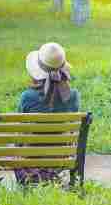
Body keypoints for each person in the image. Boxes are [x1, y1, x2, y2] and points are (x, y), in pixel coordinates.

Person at [15, 42, 80, 185]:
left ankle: (30, 180)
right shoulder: (73, 96)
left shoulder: (28, 97)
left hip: (31, 156)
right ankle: (50, 176)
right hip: (61, 157)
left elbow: (20, 131)